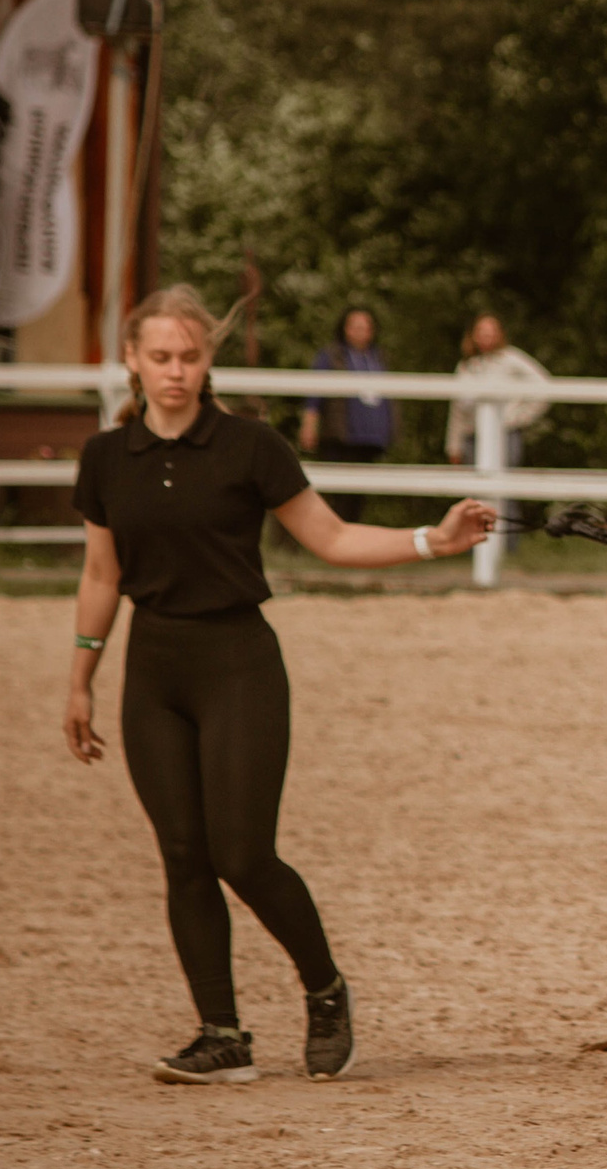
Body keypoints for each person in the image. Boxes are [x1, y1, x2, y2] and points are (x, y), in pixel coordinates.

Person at [66, 286, 498, 1085]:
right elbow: (101, 573)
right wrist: (81, 678)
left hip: (238, 662)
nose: (175, 370)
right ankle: (221, 1034)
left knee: (242, 851)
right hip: (153, 669)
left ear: (208, 360)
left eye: (189, 356)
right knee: (183, 854)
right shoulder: (105, 458)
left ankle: (325, 989)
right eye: (160, 356)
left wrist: (432, 540)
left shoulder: (251, 447)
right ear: (131, 359)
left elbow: (331, 537)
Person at [444, 313, 550, 547]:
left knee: (503, 490)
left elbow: (543, 386)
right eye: (481, 331)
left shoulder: (511, 359)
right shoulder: (467, 366)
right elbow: (458, 411)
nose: (486, 336)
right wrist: (454, 445)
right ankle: (476, 546)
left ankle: (507, 546)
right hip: (473, 437)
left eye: (491, 331)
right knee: (475, 494)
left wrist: (517, 418)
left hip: (505, 435)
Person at [299, 306, 398, 520]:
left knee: (357, 496)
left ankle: (351, 534)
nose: (360, 331)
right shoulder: (331, 356)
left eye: (365, 326)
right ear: (344, 328)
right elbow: (314, 392)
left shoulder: (379, 357)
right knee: (337, 495)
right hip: (340, 437)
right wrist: (309, 424)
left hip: (369, 439)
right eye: (355, 326)